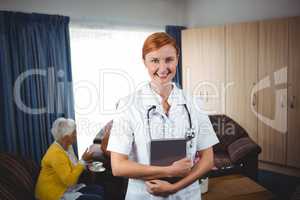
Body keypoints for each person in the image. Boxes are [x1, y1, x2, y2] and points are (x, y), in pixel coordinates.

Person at [107, 32, 219, 199]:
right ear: (144, 61)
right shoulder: (127, 106)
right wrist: (167, 171)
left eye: (169, 60)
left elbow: (208, 159)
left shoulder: (194, 104)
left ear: (177, 59)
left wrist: (175, 187)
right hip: (144, 195)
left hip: (186, 194)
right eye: (154, 60)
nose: (162, 68)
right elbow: (118, 166)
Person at [35, 117, 104, 200]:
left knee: (99, 189)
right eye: (74, 132)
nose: (76, 134)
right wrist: (83, 160)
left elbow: (74, 166)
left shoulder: (67, 147)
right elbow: (70, 181)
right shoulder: (56, 154)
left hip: (64, 188)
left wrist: (86, 163)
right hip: (53, 194)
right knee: (96, 198)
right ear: (66, 137)